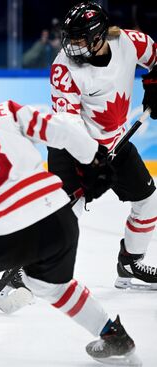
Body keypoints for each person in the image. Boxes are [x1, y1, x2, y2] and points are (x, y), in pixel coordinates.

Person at [0, 67, 140, 366]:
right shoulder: (6, 111)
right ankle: (113, 335)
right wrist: (94, 159)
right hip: (59, 220)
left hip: (5, 235)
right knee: (48, 285)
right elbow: (61, 128)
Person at [48, 2, 157, 289]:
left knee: (148, 201)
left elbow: (155, 57)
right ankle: (34, 270)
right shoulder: (64, 67)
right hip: (71, 149)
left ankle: (130, 262)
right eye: (70, 38)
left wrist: (155, 81)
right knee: (65, 215)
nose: (72, 45)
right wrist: (91, 161)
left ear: (99, 37)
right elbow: (68, 125)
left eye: (79, 39)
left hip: (115, 143)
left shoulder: (130, 43)